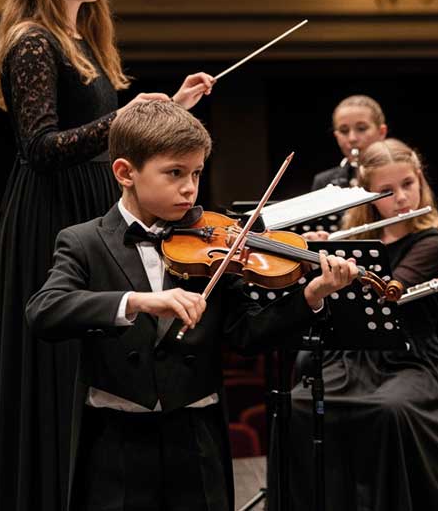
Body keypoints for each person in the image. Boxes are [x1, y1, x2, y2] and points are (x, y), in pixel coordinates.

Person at [0, 0, 215, 511]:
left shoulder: (83, 37)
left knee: (96, 369)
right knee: (62, 368)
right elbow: (40, 147)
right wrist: (122, 118)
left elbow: (103, 133)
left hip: (88, 198)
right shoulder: (32, 40)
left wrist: (173, 108)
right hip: (54, 213)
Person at [26, 101, 351, 510]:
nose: (189, 188)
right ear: (125, 172)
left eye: (196, 173)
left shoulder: (213, 240)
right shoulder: (82, 241)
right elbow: (45, 311)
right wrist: (139, 301)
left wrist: (311, 294)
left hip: (196, 431)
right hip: (116, 438)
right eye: (175, 173)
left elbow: (247, 334)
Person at [289, 139, 438, 511]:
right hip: (350, 356)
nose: (402, 198)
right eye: (387, 191)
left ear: (420, 180)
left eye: (408, 184)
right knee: (298, 404)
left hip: (409, 358)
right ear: (368, 195)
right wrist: (313, 255)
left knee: (390, 409)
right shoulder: (355, 239)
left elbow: (390, 287)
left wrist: (339, 264)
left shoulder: (430, 240)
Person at [311, 94, 388, 190]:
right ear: (337, 136)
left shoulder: (402, 170)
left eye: (361, 128)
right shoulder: (323, 182)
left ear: (381, 132)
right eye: (344, 131)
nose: (352, 138)